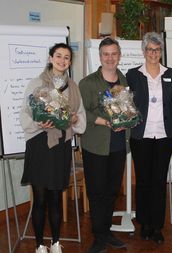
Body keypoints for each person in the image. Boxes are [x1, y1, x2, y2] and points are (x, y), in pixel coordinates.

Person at [20, 43, 86, 253]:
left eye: (66, 57)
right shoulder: (36, 83)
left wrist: (75, 119)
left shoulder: (73, 87)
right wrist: (38, 123)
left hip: (61, 145)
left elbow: (80, 115)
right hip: (39, 144)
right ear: (50, 58)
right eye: (58, 56)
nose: (62, 60)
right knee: (39, 199)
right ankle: (39, 244)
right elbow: (25, 112)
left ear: (69, 62)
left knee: (56, 197)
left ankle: (55, 243)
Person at [79, 37, 129, 253]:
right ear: (100, 57)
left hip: (118, 145)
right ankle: (98, 235)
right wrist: (103, 121)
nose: (110, 58)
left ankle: (106, 231)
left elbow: (126, 109)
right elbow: (81, 113)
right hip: (96, 145)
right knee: (97, 191)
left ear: (119, 56)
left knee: (111, 191)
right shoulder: (88, 83)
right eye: (106, 54)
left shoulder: (124, 81)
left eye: (114, 53)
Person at [126, 32, 172, 244]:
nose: (153, 53)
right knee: (144, 180)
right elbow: (127, 102)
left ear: (161, 52)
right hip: (141, 135)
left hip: (165, 134)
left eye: (157, 50)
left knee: (159, 180)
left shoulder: (171, 73)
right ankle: (144, 222)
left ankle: (156, 226)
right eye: (150, 49)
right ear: (144, 52)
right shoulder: (133, 74)